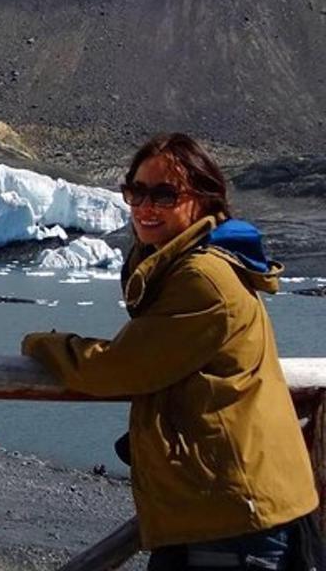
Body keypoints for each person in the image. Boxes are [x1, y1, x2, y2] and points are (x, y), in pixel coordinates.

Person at [21, 133, 319, 570]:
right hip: (225, 508)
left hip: (235, 518)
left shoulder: (203, 278)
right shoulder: (191, 264)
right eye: (135, 191)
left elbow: (117, 368)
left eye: (164, 194)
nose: (145, 205)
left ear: (202, 200)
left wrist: (42, 344)